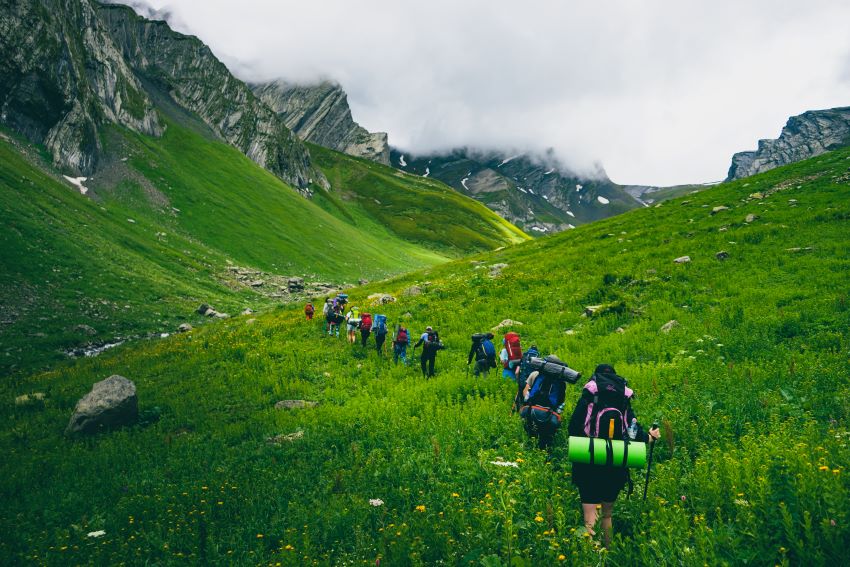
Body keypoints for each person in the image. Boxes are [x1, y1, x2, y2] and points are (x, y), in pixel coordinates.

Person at [567, 364, 660, 547]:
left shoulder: (589, 396)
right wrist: (650, 437)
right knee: (607, 515)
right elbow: (634, 433)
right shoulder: (622, 400)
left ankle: (592, 556)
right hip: (615, 463)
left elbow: (573, 428)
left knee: (590, 516)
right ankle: (608, 552)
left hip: (588, 461)